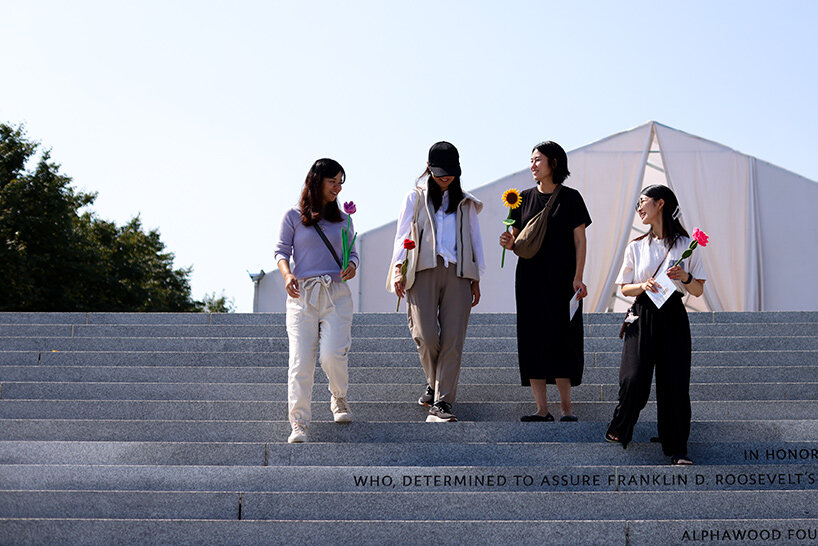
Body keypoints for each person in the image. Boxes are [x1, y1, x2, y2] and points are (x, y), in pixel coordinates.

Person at [605, 184, 707, 466]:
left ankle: (676, 447)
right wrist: (643, 284)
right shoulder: (636, 246)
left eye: (643, 201)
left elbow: (697, 291)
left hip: (673, 313)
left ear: (660, 204)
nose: (639, 208)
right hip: (642, 311)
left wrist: (684, 277)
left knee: (674, 382)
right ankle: (621, 426)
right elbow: (624, 288)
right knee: (633, 377)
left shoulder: (687, 245)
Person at [391, 141, 485, 422]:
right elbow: (401, 234)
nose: (446, 178)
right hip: (422, 271)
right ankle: (434, 384)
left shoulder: (466, 202)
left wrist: (476, 278)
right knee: (426, 335)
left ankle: (442, 402)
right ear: (429, 168)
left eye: (451, 172)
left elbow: (475, 240)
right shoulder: (415, 197)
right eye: (441, 172)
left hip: (457, 273)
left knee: (453, 339)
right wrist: (398, 268)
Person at [499, 141, 591, 422]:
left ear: (554, 163)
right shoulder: (520, 198)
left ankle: (566, 407)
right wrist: (507, 242)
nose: (533, 165)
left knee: (564, 337)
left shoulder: (571, 198)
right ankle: (542, 408)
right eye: (531, 160)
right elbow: (515, 238)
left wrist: (578, 276)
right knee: (532, 338)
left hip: (563, 280)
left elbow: (580, 240)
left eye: (538, 159)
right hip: (529, 279)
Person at [274, 158, 358, 443]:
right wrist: (287, 276)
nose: (337, 188)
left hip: (336, 293)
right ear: (316, 181)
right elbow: (281, 251)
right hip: (302, 294)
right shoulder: (293, 216)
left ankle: (339, 397)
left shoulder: (345, 220)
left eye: (340, 183)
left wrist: (353, 266)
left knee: (332, 354)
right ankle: (299, 423)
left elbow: (353, 254)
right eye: (332, 181)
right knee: (301, 361)